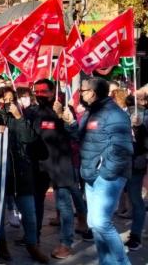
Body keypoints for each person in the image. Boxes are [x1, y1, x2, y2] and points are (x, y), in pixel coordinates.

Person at [64, 77, 132, 265]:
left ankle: (122, 262)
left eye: (83, 90)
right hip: (91, 175)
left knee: (101, 222)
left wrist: (104, 172)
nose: (81, 94)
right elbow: (80, 137)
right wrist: (70, 123)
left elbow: (123, 150)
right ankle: (107, 262)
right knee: (94, 224)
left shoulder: (114, 114)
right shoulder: (91, 112)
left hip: (107, 177)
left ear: (92, 93)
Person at [26, 79, 84, 259]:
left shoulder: (65, 109)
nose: (40, 94)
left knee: (64, 205)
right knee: (36, 203)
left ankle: (66, 243)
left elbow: (75, 135)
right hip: (38, 164)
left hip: (61, 163)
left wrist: (65, 119)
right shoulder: (30, 112)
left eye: (44, 91)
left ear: (53, 92)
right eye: (37, 91)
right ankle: (33, 238)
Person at [0, 87, 49, 263]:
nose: (9, 103)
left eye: (13, 99)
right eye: (5, 100)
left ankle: (32, 244)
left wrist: (19, 118)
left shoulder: (26, 117)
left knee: (29, 213)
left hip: (22, 172)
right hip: (1, 173)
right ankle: (1, 244)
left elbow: (29, 138)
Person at [125, 92, 148, 250]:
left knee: (135, 199)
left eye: (141, 98)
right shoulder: (124, 113)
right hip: (120, 162)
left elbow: (144, 141)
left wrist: (139, 128)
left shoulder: (145, 116)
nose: (138, 100)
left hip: (136, 163)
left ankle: (136, 234)